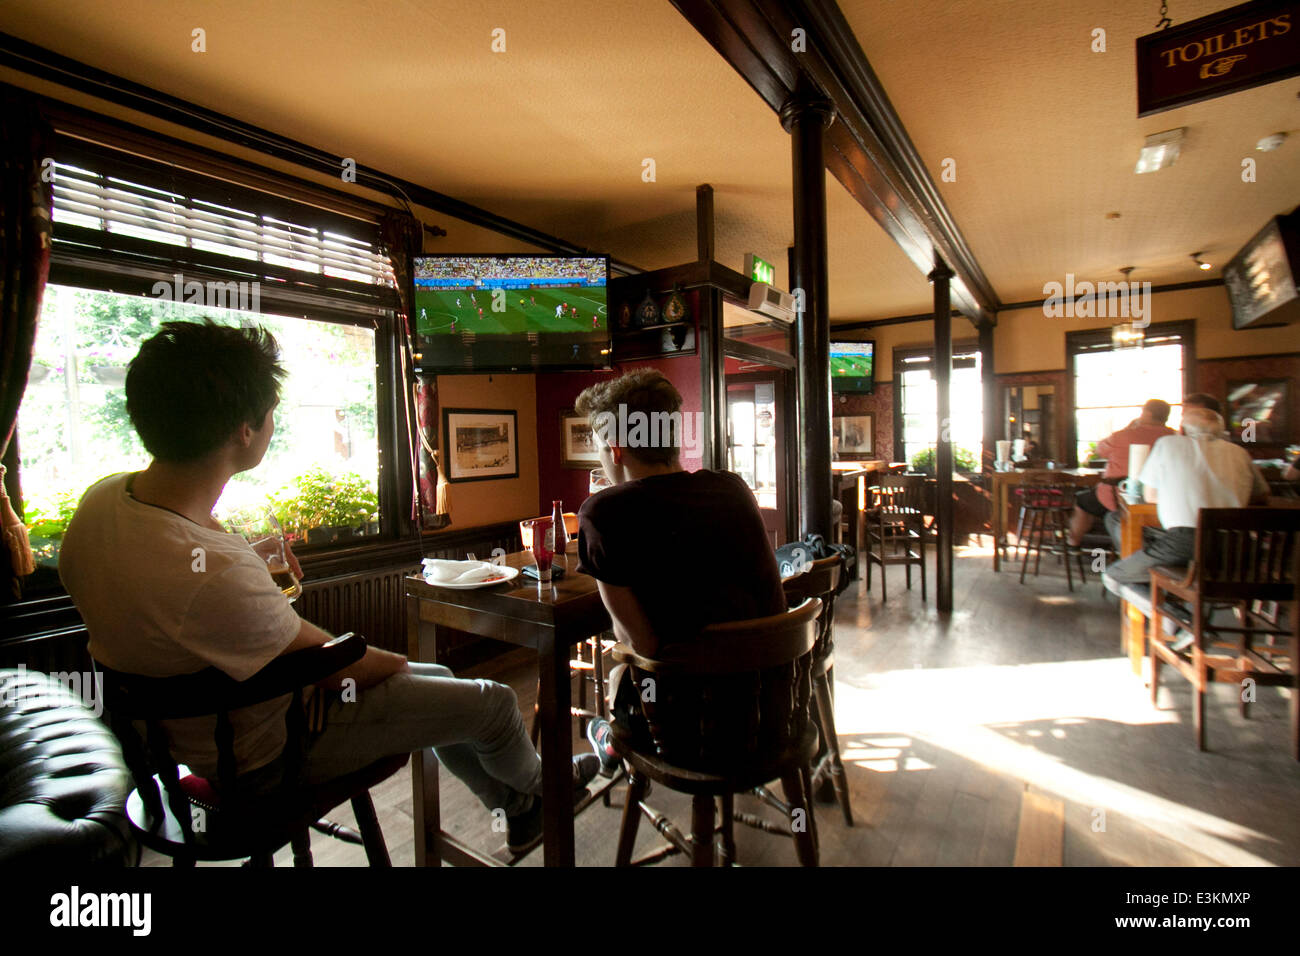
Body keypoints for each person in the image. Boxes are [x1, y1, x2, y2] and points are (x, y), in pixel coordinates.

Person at [58, 320, 597, 852]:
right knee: (495, 702)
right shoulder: (217, 573)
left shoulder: (102, 502)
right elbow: (348, 664)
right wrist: (377, 667)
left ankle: (521, 811)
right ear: (245, 428)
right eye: (270, 412)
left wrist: (250, 568)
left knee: (444, 682)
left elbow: (176, 597)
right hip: (268, 757)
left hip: (180, 742)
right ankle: (547, 790)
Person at [571, 369, 786, 771]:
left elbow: (641, 644)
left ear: (616, 448)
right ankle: (612, 739)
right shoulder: (734, 489)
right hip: (772, 715)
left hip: (692, 735)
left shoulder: (602, 514)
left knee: (621, 673)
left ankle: (607, 739)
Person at [1102, 406, 1268, 588]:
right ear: (1221, 431)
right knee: (1133, 531)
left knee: (1113, 576)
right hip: (1237, 546)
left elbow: (1150, 496)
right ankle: (1168, 586)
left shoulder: (1168, 444)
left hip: (1186, 541)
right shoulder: (1240, 452)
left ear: (1182, 430)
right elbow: (1261, 493)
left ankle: (1162, 608)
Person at [1069, 399, 1175, 549]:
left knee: (1082, 501)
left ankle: (1073, 543)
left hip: (1116, 495)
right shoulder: (1173, 437)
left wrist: (1129, 427)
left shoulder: (1124, 435)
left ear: (1147, 413)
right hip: (1159, 500)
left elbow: (1099, 450)